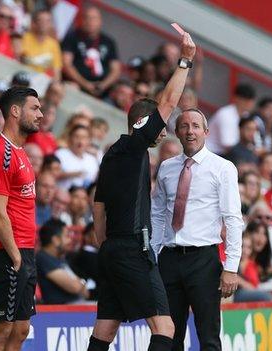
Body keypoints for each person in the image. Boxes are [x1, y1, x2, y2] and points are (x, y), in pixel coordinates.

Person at [87, 31, 196, 351]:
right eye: (160, 126)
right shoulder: (134, 147)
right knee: (165, 327)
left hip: (112, 251)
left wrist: (107, 246)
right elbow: (168, 101)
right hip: (133, 249)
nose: (164, 132)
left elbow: (98, 207)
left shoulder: (113, 154)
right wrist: (185, 60)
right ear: (142, 124)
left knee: (105, 330)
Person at [151, 108, 243, 349]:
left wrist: (231, 267)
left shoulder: (223, 168)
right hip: (169, 259)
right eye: (184, 126)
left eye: (195, 126)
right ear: (177, 132)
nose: (190, 131)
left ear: (206, 131)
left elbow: (233, 218)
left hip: (203, 259)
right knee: (170, 335)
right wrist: (153, 253)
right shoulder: (166, 167)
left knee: (208, 336)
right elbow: (158, 213)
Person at [0, 87, 43, 350]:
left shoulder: (21, 152)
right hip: (4, 251)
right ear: (15, 111)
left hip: (23, 251)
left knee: (21, 329)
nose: (41, 114)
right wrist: (16, 256)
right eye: (34, 108)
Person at [61, 6, 121, 97]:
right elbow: (66, 64)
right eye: (86, 17)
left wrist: (103, 85)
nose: (90, 21)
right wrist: (85, 84)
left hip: (102, 90)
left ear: (100, 21)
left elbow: (116, 70)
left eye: (94, 18)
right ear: (82, 20)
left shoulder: (108, 42)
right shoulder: (72, 37)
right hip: (75, 85)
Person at [36, 218, 90, 304]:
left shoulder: (60, 258)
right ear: (55, 240)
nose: (70, 240)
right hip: (61, 312)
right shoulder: (42, 258)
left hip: (77, 307)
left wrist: (80, 284)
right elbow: (74, 287)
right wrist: (81, 283)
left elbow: (86, 293)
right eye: (67, 236)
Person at [205, 83, 256, 154]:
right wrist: (252, 150)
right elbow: (228, 145)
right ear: (237, 99)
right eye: (246, 100)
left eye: (251, 101)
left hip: (225, 155)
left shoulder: (246, 115)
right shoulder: (225, 114)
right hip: (210, 152)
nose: (250, 104)